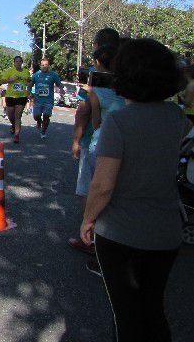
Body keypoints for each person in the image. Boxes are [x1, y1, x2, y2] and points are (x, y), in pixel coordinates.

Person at [80, 38, 189, 341]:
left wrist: (88, 220)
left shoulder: (119, 122)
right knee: (153, 310)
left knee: (126, 315)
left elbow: (102, 186)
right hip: (167, 231)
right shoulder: (177, 117)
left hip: (121, 233)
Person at [70, 28, 120, 253]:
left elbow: (85, 113)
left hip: (96, 140)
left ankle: (88, 236)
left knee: (88, 189)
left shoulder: (94, 81)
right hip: (124, 141)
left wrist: (76, 140)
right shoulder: (127, 77)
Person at [29, 58, 64, 139]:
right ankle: (38, 122)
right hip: (37, 100)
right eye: (42, 65)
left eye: (46, 65)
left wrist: (62, 89)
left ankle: (43, 131)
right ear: (40, 66)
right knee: (36, 116)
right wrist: (29, 93)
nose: (44, 66)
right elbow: (30, 84)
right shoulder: (36, 75)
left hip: (48, 100)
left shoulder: (53, 75)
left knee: (46, 116)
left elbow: (59, 84)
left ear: (48, 66)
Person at [0, 55, 31, 143]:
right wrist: (11, 80)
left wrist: (28, 92)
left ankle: (17, 135)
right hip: (10, 96)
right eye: (16, 61)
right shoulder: (9, 71)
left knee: (18, 116)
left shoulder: (26, 72)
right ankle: (13, 125)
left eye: (19, 61)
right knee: (10, 115)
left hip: (21, 97)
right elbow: (2, 81)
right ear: (14, 63)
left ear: (22, 63)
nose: (18, 63)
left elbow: (29, 82)